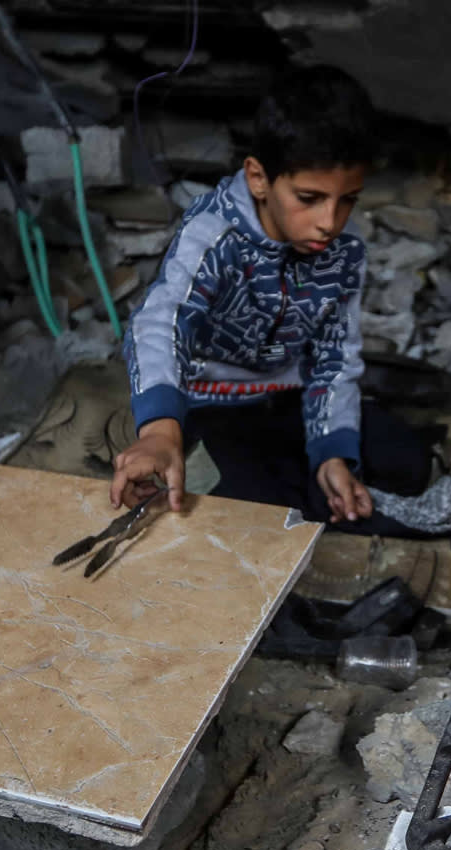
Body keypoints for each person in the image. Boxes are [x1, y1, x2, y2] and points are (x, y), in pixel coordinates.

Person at [110, 68, 431, 526]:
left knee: (405, 462)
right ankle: (285, 491)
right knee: (243, 509)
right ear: (259, 178)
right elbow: (161, 323)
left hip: (288, 398)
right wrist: (161, 430)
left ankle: (311, 479)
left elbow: (334, 357)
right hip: (210, 404)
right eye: (309, 197)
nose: (329, 221)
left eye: (347, 200)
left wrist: (331, 454)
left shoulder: (345, 250)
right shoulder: (214, 232)